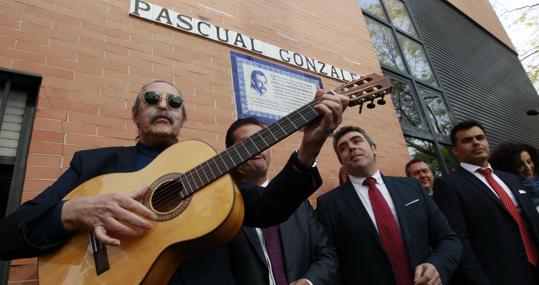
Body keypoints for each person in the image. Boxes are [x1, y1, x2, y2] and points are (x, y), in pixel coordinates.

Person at [0, 80, 348, 284]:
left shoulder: (211, 168)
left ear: (182, 118)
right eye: (151, 99)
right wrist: (73, 212)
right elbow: (9, 235)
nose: (163, 104)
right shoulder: (93, 164)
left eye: (175, 101)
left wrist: (308, 148)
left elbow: (267, 207)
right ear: (135, 115)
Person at [317, 125, 461, 285]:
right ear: (340, 160)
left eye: (356, 141)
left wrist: (438, 265)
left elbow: (448, 239)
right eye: (343, 148)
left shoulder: (412, 188)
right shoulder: (328, 204)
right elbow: (330, 262)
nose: (351, 147)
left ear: (373, 148)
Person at [225, 118, 338, 285]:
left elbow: (326, 253)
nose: (257, 147)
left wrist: (309, 281)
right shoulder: (222, 209)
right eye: (246, 143)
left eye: (262, 140)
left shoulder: (300, 204)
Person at [433, 120, 539, 285]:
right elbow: (460, 241)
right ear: (455, 150)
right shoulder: (448, 185)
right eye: (467, 140)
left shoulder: (511, 179)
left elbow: (533, 221)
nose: (476, 142)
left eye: (480, 137)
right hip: (501, 277)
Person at [490, 142, 539, 208]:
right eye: (520, 165)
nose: (528, 167)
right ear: (509, 168)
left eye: (529, 161)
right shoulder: (510, 196)